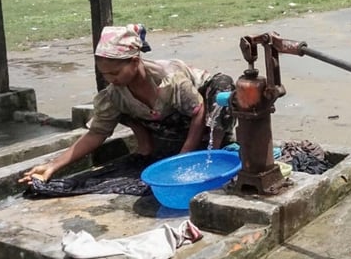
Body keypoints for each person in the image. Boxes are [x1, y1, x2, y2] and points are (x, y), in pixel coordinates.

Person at [19, 24, 235, 184]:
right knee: (111, 107)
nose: (111, 79)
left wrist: (184, 159)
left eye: (115, 72)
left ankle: (211, 153)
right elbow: (96, 134)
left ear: (134, 61)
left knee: (223, 89)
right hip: (165, 122)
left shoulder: (170, 78)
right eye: (105, 74)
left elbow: (198, 112)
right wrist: (52, 166)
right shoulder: (115, 94)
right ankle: (146, 144)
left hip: (201, 116)